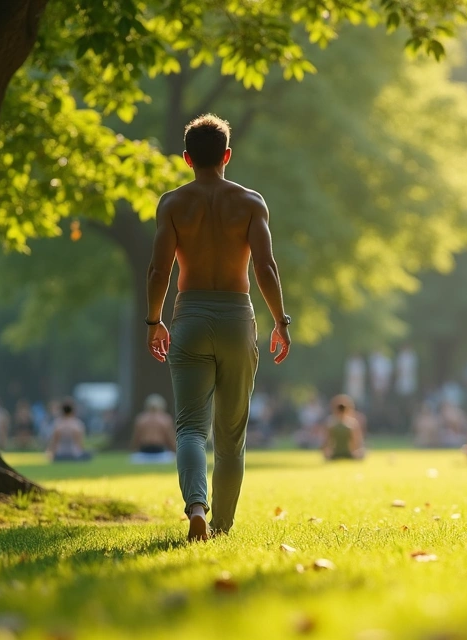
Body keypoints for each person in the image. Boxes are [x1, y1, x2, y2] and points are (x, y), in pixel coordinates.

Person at [145, 114, 292, 541]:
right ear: (227, 155)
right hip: (236, 318)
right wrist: (280, 321)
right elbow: (265, 266)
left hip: (188, 317)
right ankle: (223, 529)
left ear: (187, 158)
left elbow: (159, 271)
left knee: (191, 427)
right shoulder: (250, 202)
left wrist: (154, 322)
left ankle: (196, 508)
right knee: (231, 435)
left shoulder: (172, 204)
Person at [130, 394, 178, 464]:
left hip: (144, 454)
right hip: (160, 454)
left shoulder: (141, 419)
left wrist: (133, 451)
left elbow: (136, 439)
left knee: (133, 458)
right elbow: (170, 439)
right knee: (172, 457)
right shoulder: (165, 419)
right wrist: (175, 452)